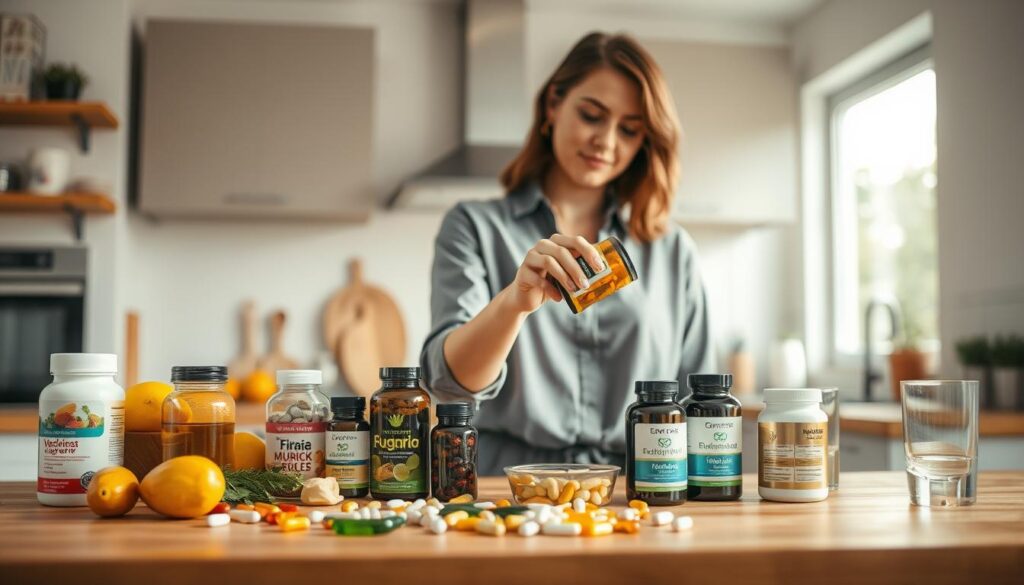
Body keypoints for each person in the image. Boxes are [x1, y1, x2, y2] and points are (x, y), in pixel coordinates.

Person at [420, 32, 713, 475]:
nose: (606, 141)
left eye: (629, 129)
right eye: (592, 115)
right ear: (553, 104)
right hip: (507, 486)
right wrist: (513, 303)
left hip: (636, 487)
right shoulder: (474, 226)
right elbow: (449, 385)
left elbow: (700, 400)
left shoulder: (673, 251)